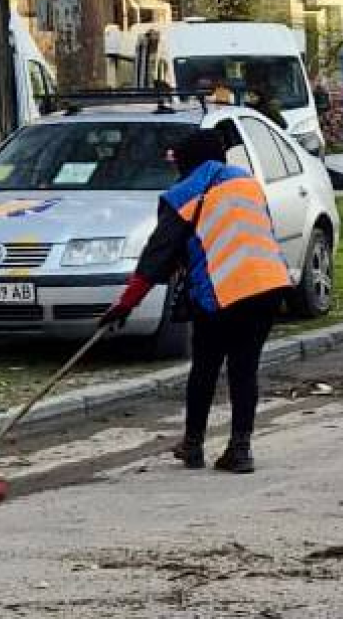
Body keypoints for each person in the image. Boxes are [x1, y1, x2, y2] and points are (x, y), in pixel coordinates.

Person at [99, 127, 293, 473]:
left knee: (205, 367)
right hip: (269, 284)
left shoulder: (183, 195)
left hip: (223, 291)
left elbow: (156, 258)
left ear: (186, 162)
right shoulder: (247, 182)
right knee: (244, 369)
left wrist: (125, 304)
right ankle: (240, 448)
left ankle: (193, 444)